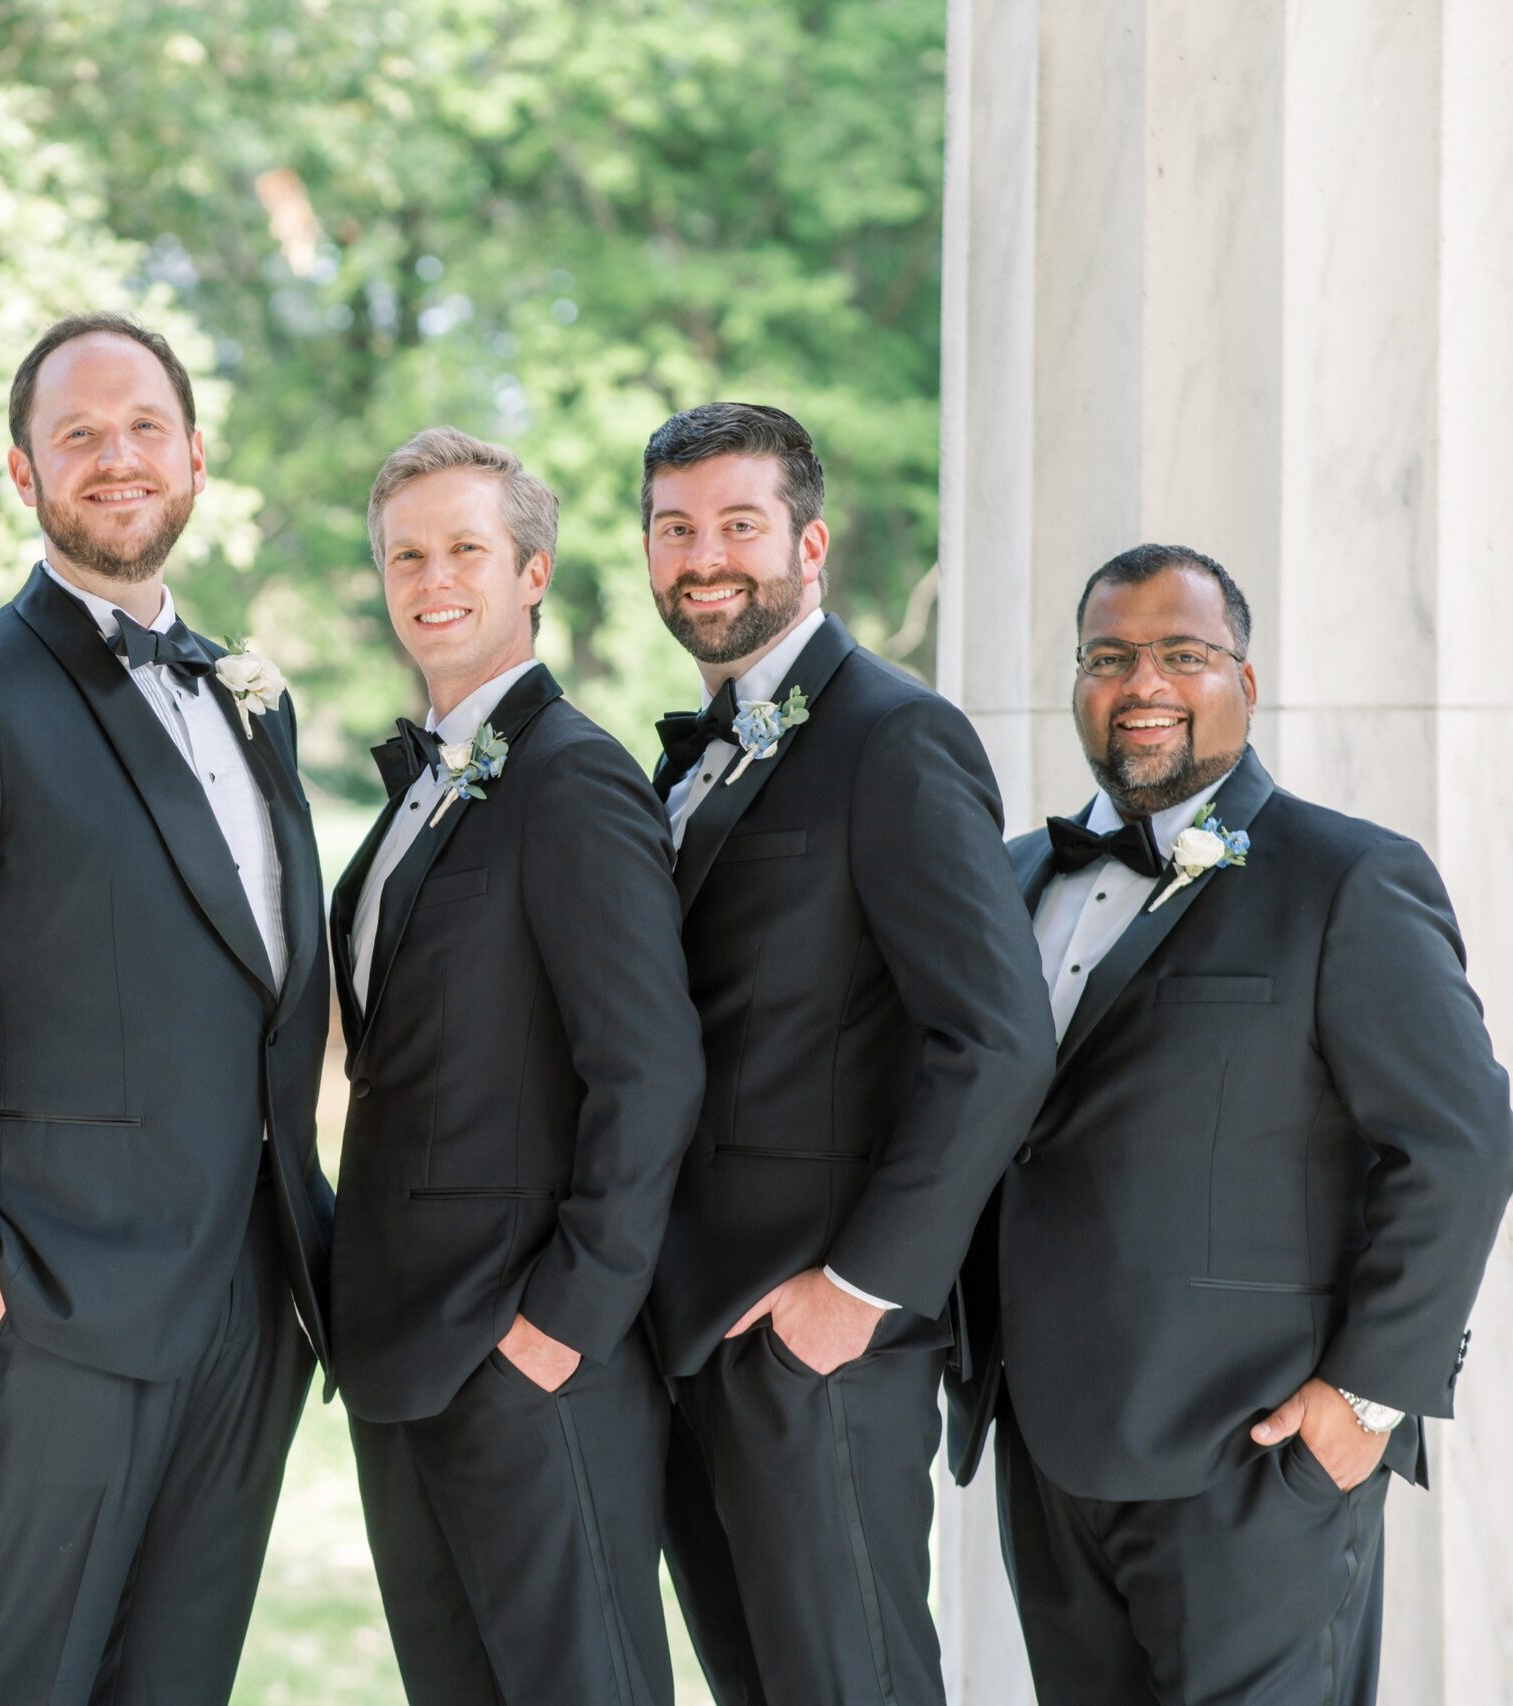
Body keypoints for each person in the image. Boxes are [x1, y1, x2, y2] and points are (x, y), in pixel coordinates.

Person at [0, 312, 334, 1706]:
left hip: (253, 1306)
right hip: (52, 1306)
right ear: (23, 475)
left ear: (196, 460)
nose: (116, 457)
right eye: (77, 434)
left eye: (144, 427)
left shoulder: (249, 702)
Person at [949, 544, 1513, 1706]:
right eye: (1108, 656)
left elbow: (1460, 1142)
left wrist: (1365, 1397)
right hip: (1046, 1446)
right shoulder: (1004, 882)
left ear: (1241, 685)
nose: (1141, 680)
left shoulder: (1348, 876)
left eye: (1181, 653)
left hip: (1254, 1456)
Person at [640, 402, 1057, 1705]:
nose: (705, 555)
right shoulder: (693, 759)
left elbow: (995, 1037)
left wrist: (860, 1292)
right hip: (687, 1333)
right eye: (675, 528)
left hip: (819, 1346)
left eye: (740, 524)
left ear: (809, 544)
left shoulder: (895, 737)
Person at [329, 427, 702, 1705]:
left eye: (465, 549)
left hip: (530, 1362)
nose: (431, 578)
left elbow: (647, 1075)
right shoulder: (410, 798)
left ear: (532, 568)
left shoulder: (575, 779)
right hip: (402, 1357)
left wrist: (563, 1326)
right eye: (406, 554)